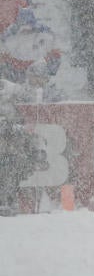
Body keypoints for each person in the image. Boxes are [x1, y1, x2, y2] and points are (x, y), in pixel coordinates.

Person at [0, 84, 39, 216]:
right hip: (7, 150)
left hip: (10, 152)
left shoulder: (14, 104)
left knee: (11, 175)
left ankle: (9, 201)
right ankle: (5, 202)